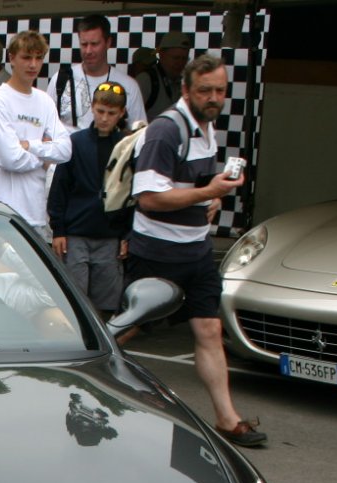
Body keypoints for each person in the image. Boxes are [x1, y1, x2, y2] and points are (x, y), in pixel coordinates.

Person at [128, 53, 264, 447]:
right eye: (205, 90)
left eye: (220, 90)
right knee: (130, 326)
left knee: (208, 328)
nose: (214, 97)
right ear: (186, 89)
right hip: (157, 250)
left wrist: (212, 198)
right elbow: (150, 197)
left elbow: (194, 185)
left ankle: (227, 418)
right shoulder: (166, 131)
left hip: (196, 250)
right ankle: (74, 380)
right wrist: (208, 192)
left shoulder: (206, 127)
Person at [48, 82, 129, 318]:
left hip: (110, 234)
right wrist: (58, 230)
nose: (105, 118)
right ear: (92, 107)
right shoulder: (76, 142)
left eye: (111, 113)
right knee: (75, 298)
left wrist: (126, 235)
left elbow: (130, 193)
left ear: (121, 113)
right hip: (76, 233)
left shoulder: (125, 146)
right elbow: (60, 188)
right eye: (100, 111)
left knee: (105, 300)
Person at [0, 31, 72, 239]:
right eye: (26, 57)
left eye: (38, 58)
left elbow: (66, 150)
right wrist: (46, 155)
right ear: (11, 58)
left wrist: (30, 145)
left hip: (36, 214)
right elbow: (10, 158)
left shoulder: (44, 101)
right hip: (2, 214)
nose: (33, 64)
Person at [46, 15, 147, 132]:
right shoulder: (60, 79)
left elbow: (139, 133)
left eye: (94, 44)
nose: (88, 51)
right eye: (84, 44)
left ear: (108, 43)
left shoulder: (129, 85)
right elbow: (45, 124)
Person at [139, 31, 192, 121]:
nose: (180, 63)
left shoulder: (187, 81)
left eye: (184, 59)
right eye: (176, 58)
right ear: (161, 55)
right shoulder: (146, 80)